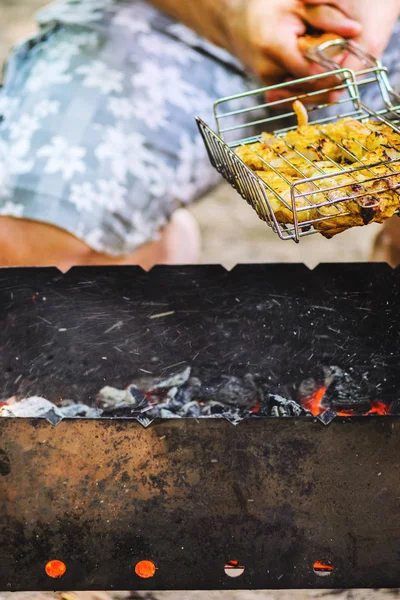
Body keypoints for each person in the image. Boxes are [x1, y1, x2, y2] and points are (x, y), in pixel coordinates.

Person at [0, 0, 399, 271]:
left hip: (375, 35)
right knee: (33, 244)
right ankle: (152, 246)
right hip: (171, 20)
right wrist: (232, 12)